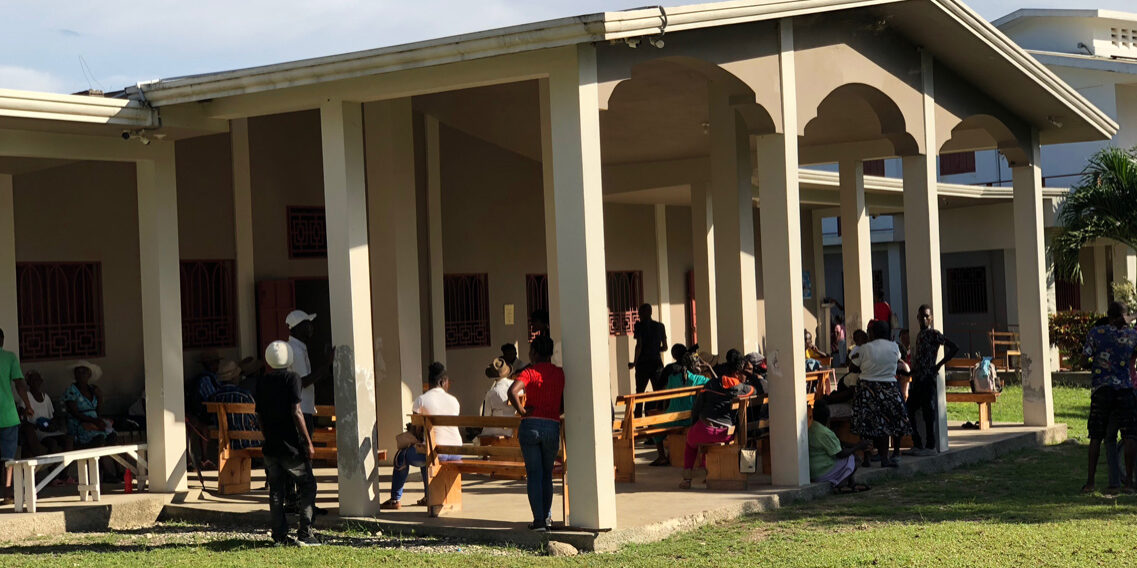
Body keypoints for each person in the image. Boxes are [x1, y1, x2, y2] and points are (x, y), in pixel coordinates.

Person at [255, 340, 319, 546]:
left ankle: (279, 536)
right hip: (290, 447)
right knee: (308, 484)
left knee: (276, 491)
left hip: (271, 447)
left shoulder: (262, 381)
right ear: (289, 358)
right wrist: (308, 443)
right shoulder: (292, 378)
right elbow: (296, 411)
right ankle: (305, 532)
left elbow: (259, 415)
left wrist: (267, 436)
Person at [381, 362, 462, 510]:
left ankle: (395, 499)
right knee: (426, 451)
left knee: (402, 455)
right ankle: (428, 496)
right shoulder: (454, 401)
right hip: (455, 452)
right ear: (442, 381)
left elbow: (416, 431)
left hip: (436, 452)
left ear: (431, 382)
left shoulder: (422, 400)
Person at [508, 336, 564, 531]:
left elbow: (512, 391)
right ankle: (547, 518)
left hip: (530, 426)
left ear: (534, 353)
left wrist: (523, 412)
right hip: (552, 426)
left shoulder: (529, 372)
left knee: (534, 474)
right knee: (546, 474)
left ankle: (539, 521)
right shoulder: (559, 373)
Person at [1082, 302, 1137, 493]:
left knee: (1097, 436)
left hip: (1102, 389)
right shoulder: (1132, 335)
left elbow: (1084, 358)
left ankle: (1090, 482)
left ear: (1109, 315)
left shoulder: (1096, 333)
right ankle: (1128, 483)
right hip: (1125, 389)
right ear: (1124, 317)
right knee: (1129, 436)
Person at [680, 350, 756, 489]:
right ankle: (707, 471)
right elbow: (754, 390)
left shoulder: (710, 384)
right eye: (743, 373)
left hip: (703, 429)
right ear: (737, 373)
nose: (745, 376)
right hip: (725, 433)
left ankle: (687, 479)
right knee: (707, 441)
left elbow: (697, 408)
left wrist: (693, 425)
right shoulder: (741, 388)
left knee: (691, 442)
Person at [849, 320, 911, 468]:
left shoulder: (864, 348)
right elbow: (895, 362)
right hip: (889, 388)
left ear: (873, 333)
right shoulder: (895, 347)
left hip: (867, 388)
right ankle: (884, 458)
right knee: (886, 425)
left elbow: (853, 367)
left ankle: (867, 458)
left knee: (867, 426)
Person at [906, 305, 959, 456]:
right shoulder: (919, 335)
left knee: (928, 413)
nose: (923, 319)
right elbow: (921, 359)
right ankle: (917, 443)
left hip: (928, 379)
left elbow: (954, 347)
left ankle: (930, 446)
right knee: (909, 408)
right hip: (918, 379)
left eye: (926, 317)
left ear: (931, 318)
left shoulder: (934, 334)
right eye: (921, 316)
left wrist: (938, 366)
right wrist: (910, 372)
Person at [650, 346, 710, 467]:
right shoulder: (698, 379)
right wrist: (708, 367)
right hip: (692, 418)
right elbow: (716, 382)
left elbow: (665, 395)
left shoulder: (672, 378)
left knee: (654, 427)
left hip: (673, 418)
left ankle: (662, 456)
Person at [0, 328, 33, 504]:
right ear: (2, 340)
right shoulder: (9, 357)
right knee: (8, 459)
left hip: (7, 416)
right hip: (7, 415)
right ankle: (7, 494)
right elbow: (19, 384)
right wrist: (28, 406)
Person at [809, 402, 871, 493]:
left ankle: (851, 483)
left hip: (814, 471)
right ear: (827, 418)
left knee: (849, 455)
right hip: (822, 472)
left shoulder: (812, 429)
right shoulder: (825, 432)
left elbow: (837, 443)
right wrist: (859, 447)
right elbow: (841, 454)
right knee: (853, 458)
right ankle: (841, 484)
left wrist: (856, 445)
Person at [285, 310, 329, 434]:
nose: (311, 327)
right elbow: (303, 381)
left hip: (304, 408)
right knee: (305, 448)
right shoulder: (297, 351)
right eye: (307, 323)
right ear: (298, 327)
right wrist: (326, 364)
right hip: (301, 410)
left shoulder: (298, 347)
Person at [18, 371, 74, 462]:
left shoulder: (46, 397)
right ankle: (52, 470)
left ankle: (63, 473)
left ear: (41, 381)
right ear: (28, 382)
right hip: (37, 431)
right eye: (32, 380)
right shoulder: (26, 397)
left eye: (38, 380)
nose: (35, 382)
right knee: (52, 443)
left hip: (48, 428)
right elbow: (21, 416)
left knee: (68, 441)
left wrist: (52, 424)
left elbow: (51, 416)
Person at [631, 303, 667, 417]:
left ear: (641, 314)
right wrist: (655, 349)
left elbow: (639, 346)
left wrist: (634, 362)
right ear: (651, 312)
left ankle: (637, 419)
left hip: (642, 363)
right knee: (659, 391)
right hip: (656, 362)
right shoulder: (660, 326)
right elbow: (665, 347)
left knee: (640, 392)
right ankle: (659, 415)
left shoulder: (639, 326)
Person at [480, 357, 516, 438]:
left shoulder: (492, 393)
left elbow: (487, 417)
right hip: (515, 429)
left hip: (499, 430)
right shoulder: (516, 386)